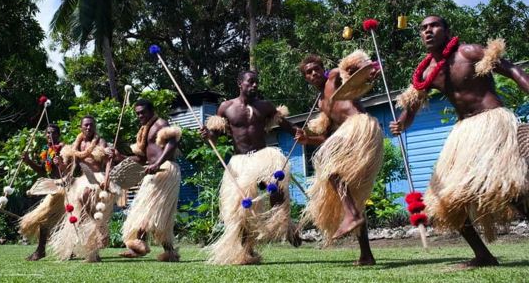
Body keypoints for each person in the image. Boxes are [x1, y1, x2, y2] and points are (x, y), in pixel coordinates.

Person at [389, 15, 529, 267]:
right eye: (423, 28)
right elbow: (410, 108)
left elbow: (512, 70)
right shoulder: (428, 73)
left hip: (492, 123)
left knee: (509, 189)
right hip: (463, 132)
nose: (428, 31)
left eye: (434, 26)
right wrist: (401, 124)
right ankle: (483, 255)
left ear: (446, 29)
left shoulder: (469, 52)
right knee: (444, 199)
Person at [200, 70, 301, 265]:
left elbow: (287, 126)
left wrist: (300, 133)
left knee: (277, 188)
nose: (254, 85)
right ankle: (247, 251)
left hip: (264, 156)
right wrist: (207, 136)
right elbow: (214, 137)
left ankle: (285, 224)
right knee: (242, 207)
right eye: (250, 82)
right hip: (240, 161)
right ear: (240, 83)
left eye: (256, 82)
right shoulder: (226, 107)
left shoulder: (265, 106)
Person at [295, 52, 383, 265]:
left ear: (322, 68)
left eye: (316, 68)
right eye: (309, 72)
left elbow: (360, 70)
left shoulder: (334, 76)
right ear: (305, 77)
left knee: (328, 167)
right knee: (353, 197)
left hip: (360, 126)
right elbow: (328, 137)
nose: (314, 73)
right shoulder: (321, 105)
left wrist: (369, 73)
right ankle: (366, 255)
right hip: (350, 135)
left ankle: (351, 215)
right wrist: (308, 139)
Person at [116, 99, 181, 262]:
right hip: (153, 171)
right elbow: (141, 158)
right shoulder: (144, 131)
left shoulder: (160, 123)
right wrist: (120, 157)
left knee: (150, 209)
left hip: (165, 170)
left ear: (152, 111)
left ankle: (139, 244)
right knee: (157, 212)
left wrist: (158, 163)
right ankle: (170, 252)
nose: (140, 116)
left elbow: (172, 142)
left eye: (143, 112)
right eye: (137, 113)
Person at [49, 116, 113, 263]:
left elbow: (108, 162)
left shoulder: (101, 142)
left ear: (95, 126)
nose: (89, 128)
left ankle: (100, 229)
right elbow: (68, 168)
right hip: (82, 180)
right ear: (81, 127)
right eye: (86, 125)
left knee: (88, 200)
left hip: (97, 179)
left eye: (91, 125)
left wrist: (107, 179)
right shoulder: (76, 145)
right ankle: (92, 252)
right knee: (81, 217)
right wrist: (59, 164)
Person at [19, 124, 68, 261]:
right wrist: (28, 162)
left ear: (58, 135)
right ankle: (45, 250)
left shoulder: (63, 149)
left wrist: (61, 163)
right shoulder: (47, 150)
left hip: (63, 189)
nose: (49, 135)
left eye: (53, 133)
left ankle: (41, 251)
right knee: (51, 222)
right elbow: (42, 170)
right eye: (47, 133)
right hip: (52, 190)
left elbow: (70, 168)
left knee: (47, 220)